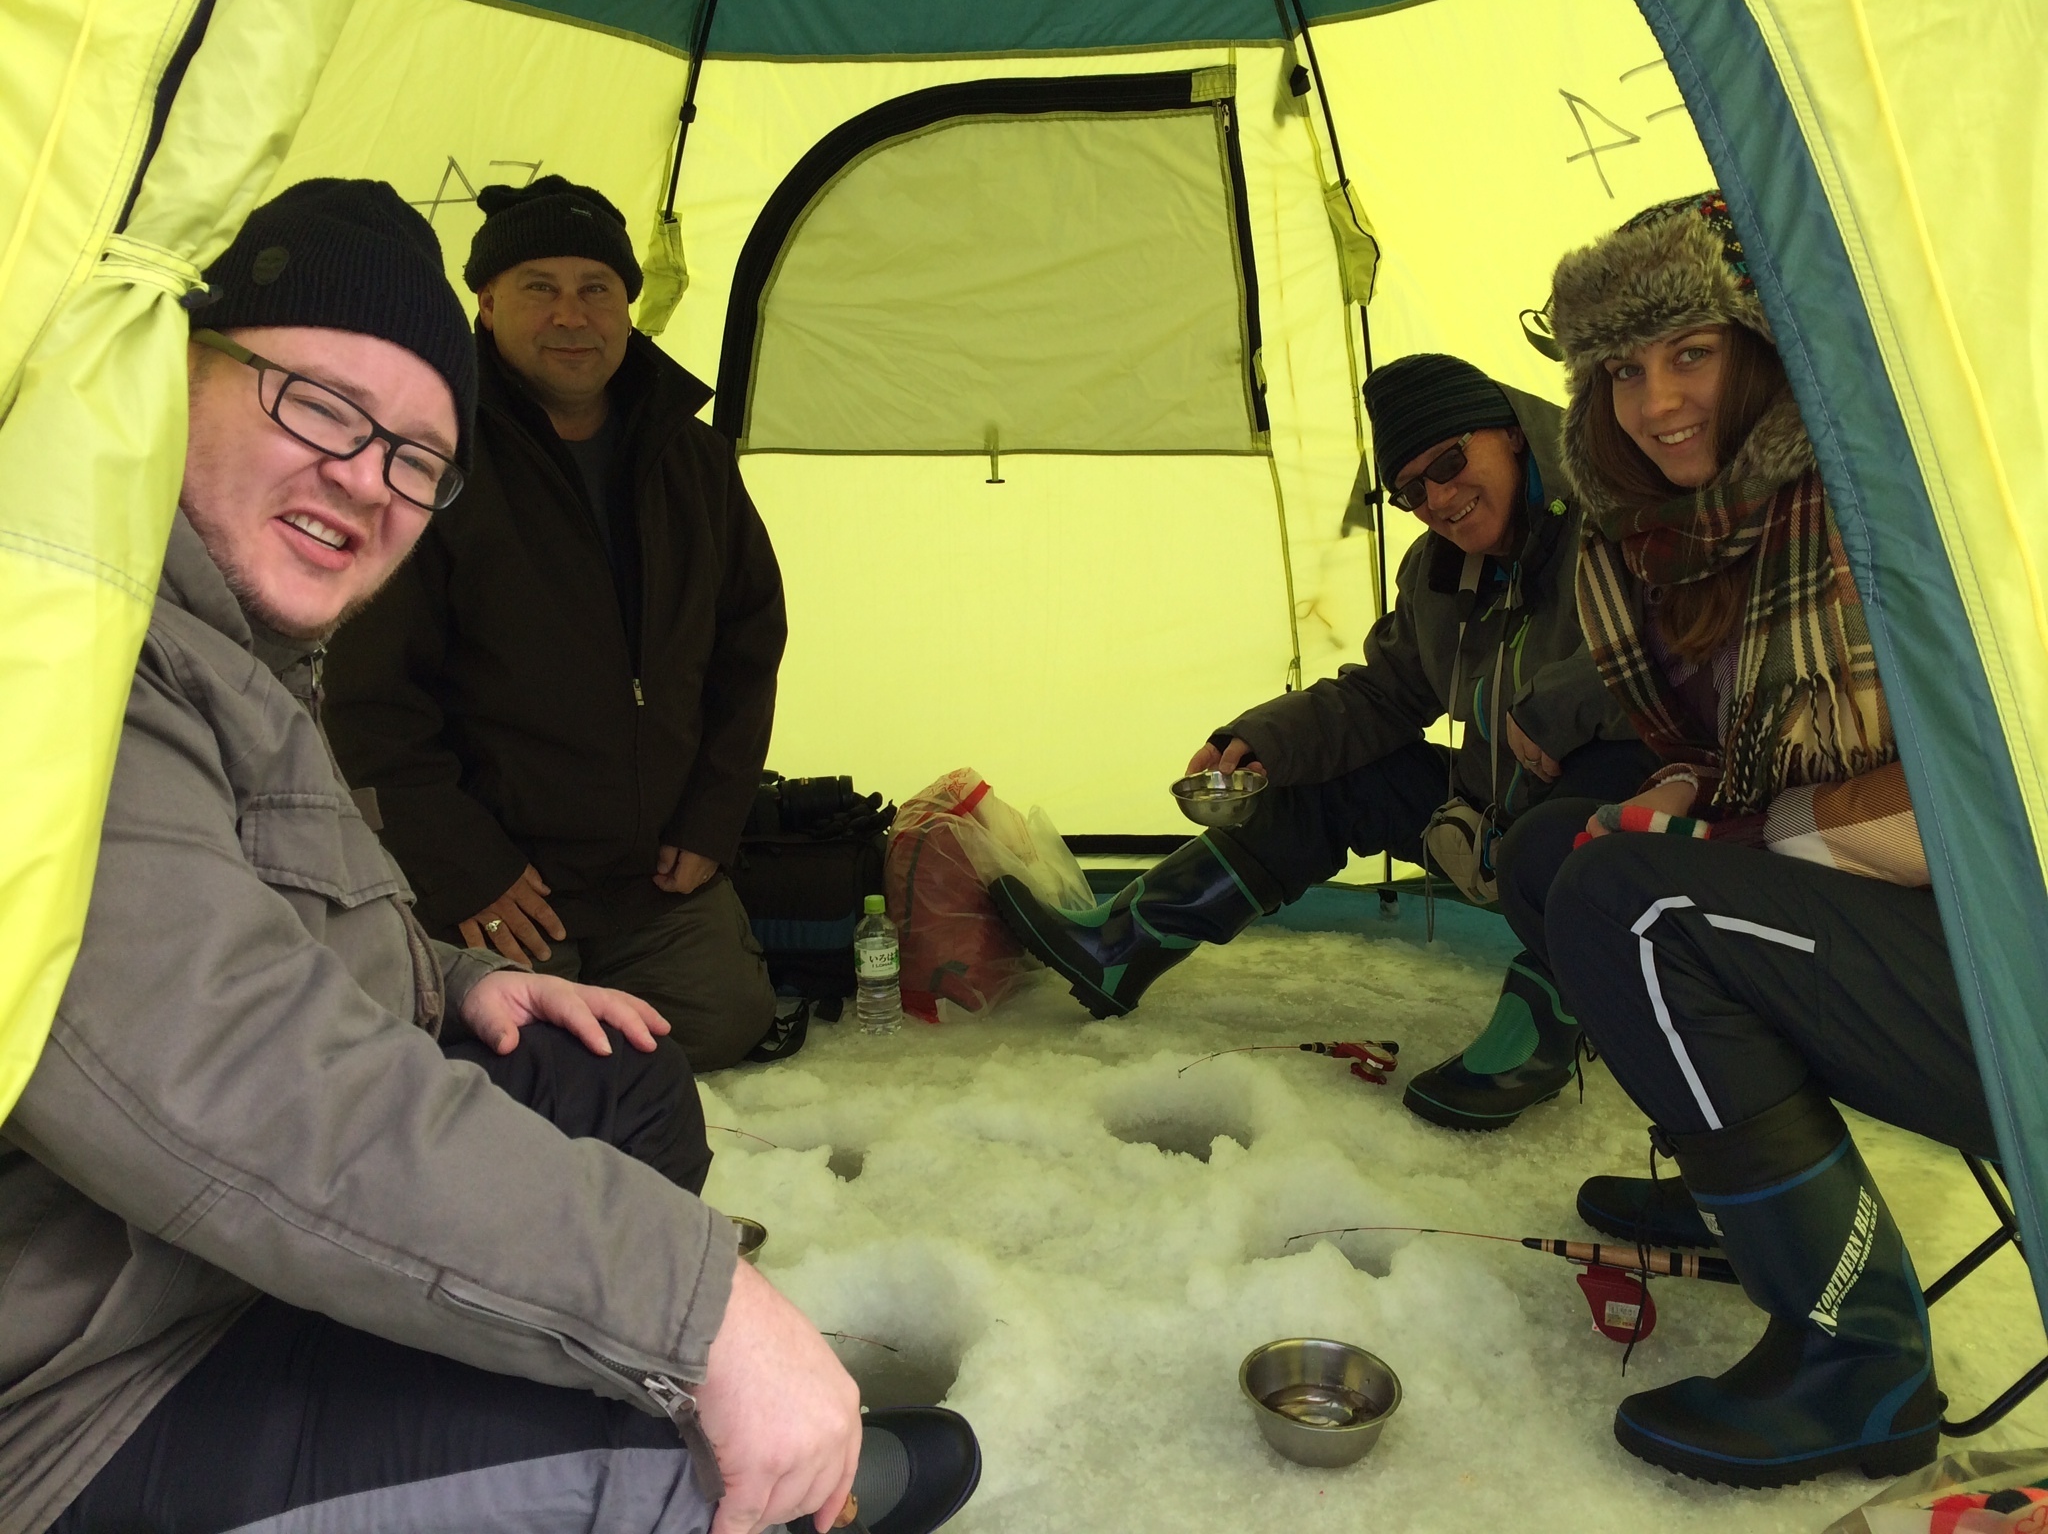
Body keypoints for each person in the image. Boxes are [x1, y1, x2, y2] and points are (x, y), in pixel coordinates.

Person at [0, 180, 978, 1534]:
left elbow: (259, 919)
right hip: (90, 1381)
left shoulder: (251, 647)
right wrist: (691, 1310)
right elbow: (235, 1067)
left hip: (604, 897)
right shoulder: (59, 656)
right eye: (321, 406)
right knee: (680, 1473)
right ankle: (590, 1426)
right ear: (171, 374)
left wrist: (452, 980)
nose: (367, 479)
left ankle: (520, 1367)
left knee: (631, 1076)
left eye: (414, 455)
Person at [1493, 190, 1977, 1486]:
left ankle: (1858, 1367)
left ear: (1758, 347)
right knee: (1556, 850)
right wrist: (1682, 788)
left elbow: (1979, 800)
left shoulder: (1879, 506)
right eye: (1625, 369)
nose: (1656, 401)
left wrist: (1755, 833)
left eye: (1689, 352)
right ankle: (1733, 1206)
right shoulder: (1689, 543)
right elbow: (1754, 743)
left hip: (2003, 959)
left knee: (1635, 906)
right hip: (1883, 912)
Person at [991, 354, 1654, 1131]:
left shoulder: (1625, 517)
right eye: (1412, 490)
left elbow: (1684, 653)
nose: (1439, 499)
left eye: (1449, 462)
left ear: (1512, 436)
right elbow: (1382, 695)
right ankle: (1125, 944)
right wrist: (1259, 740)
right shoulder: (1439, 574)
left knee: (1597, 793)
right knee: (1325, 773)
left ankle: (1545, 1029)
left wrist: (1556, 710)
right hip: (1496, 813)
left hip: (1625, 827)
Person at [323, 175, 789, 1074]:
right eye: (539, 287)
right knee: (515, 1060)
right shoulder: (426, 456)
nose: (571, 314)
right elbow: (368, 702)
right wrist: (462, 866)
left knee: (723, 1023)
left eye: (596, 288)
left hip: (651, 878)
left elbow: (748, 641)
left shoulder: (690, 457)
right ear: (487, 301)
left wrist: (714, 817)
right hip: (502, 881)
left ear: (629, 305)